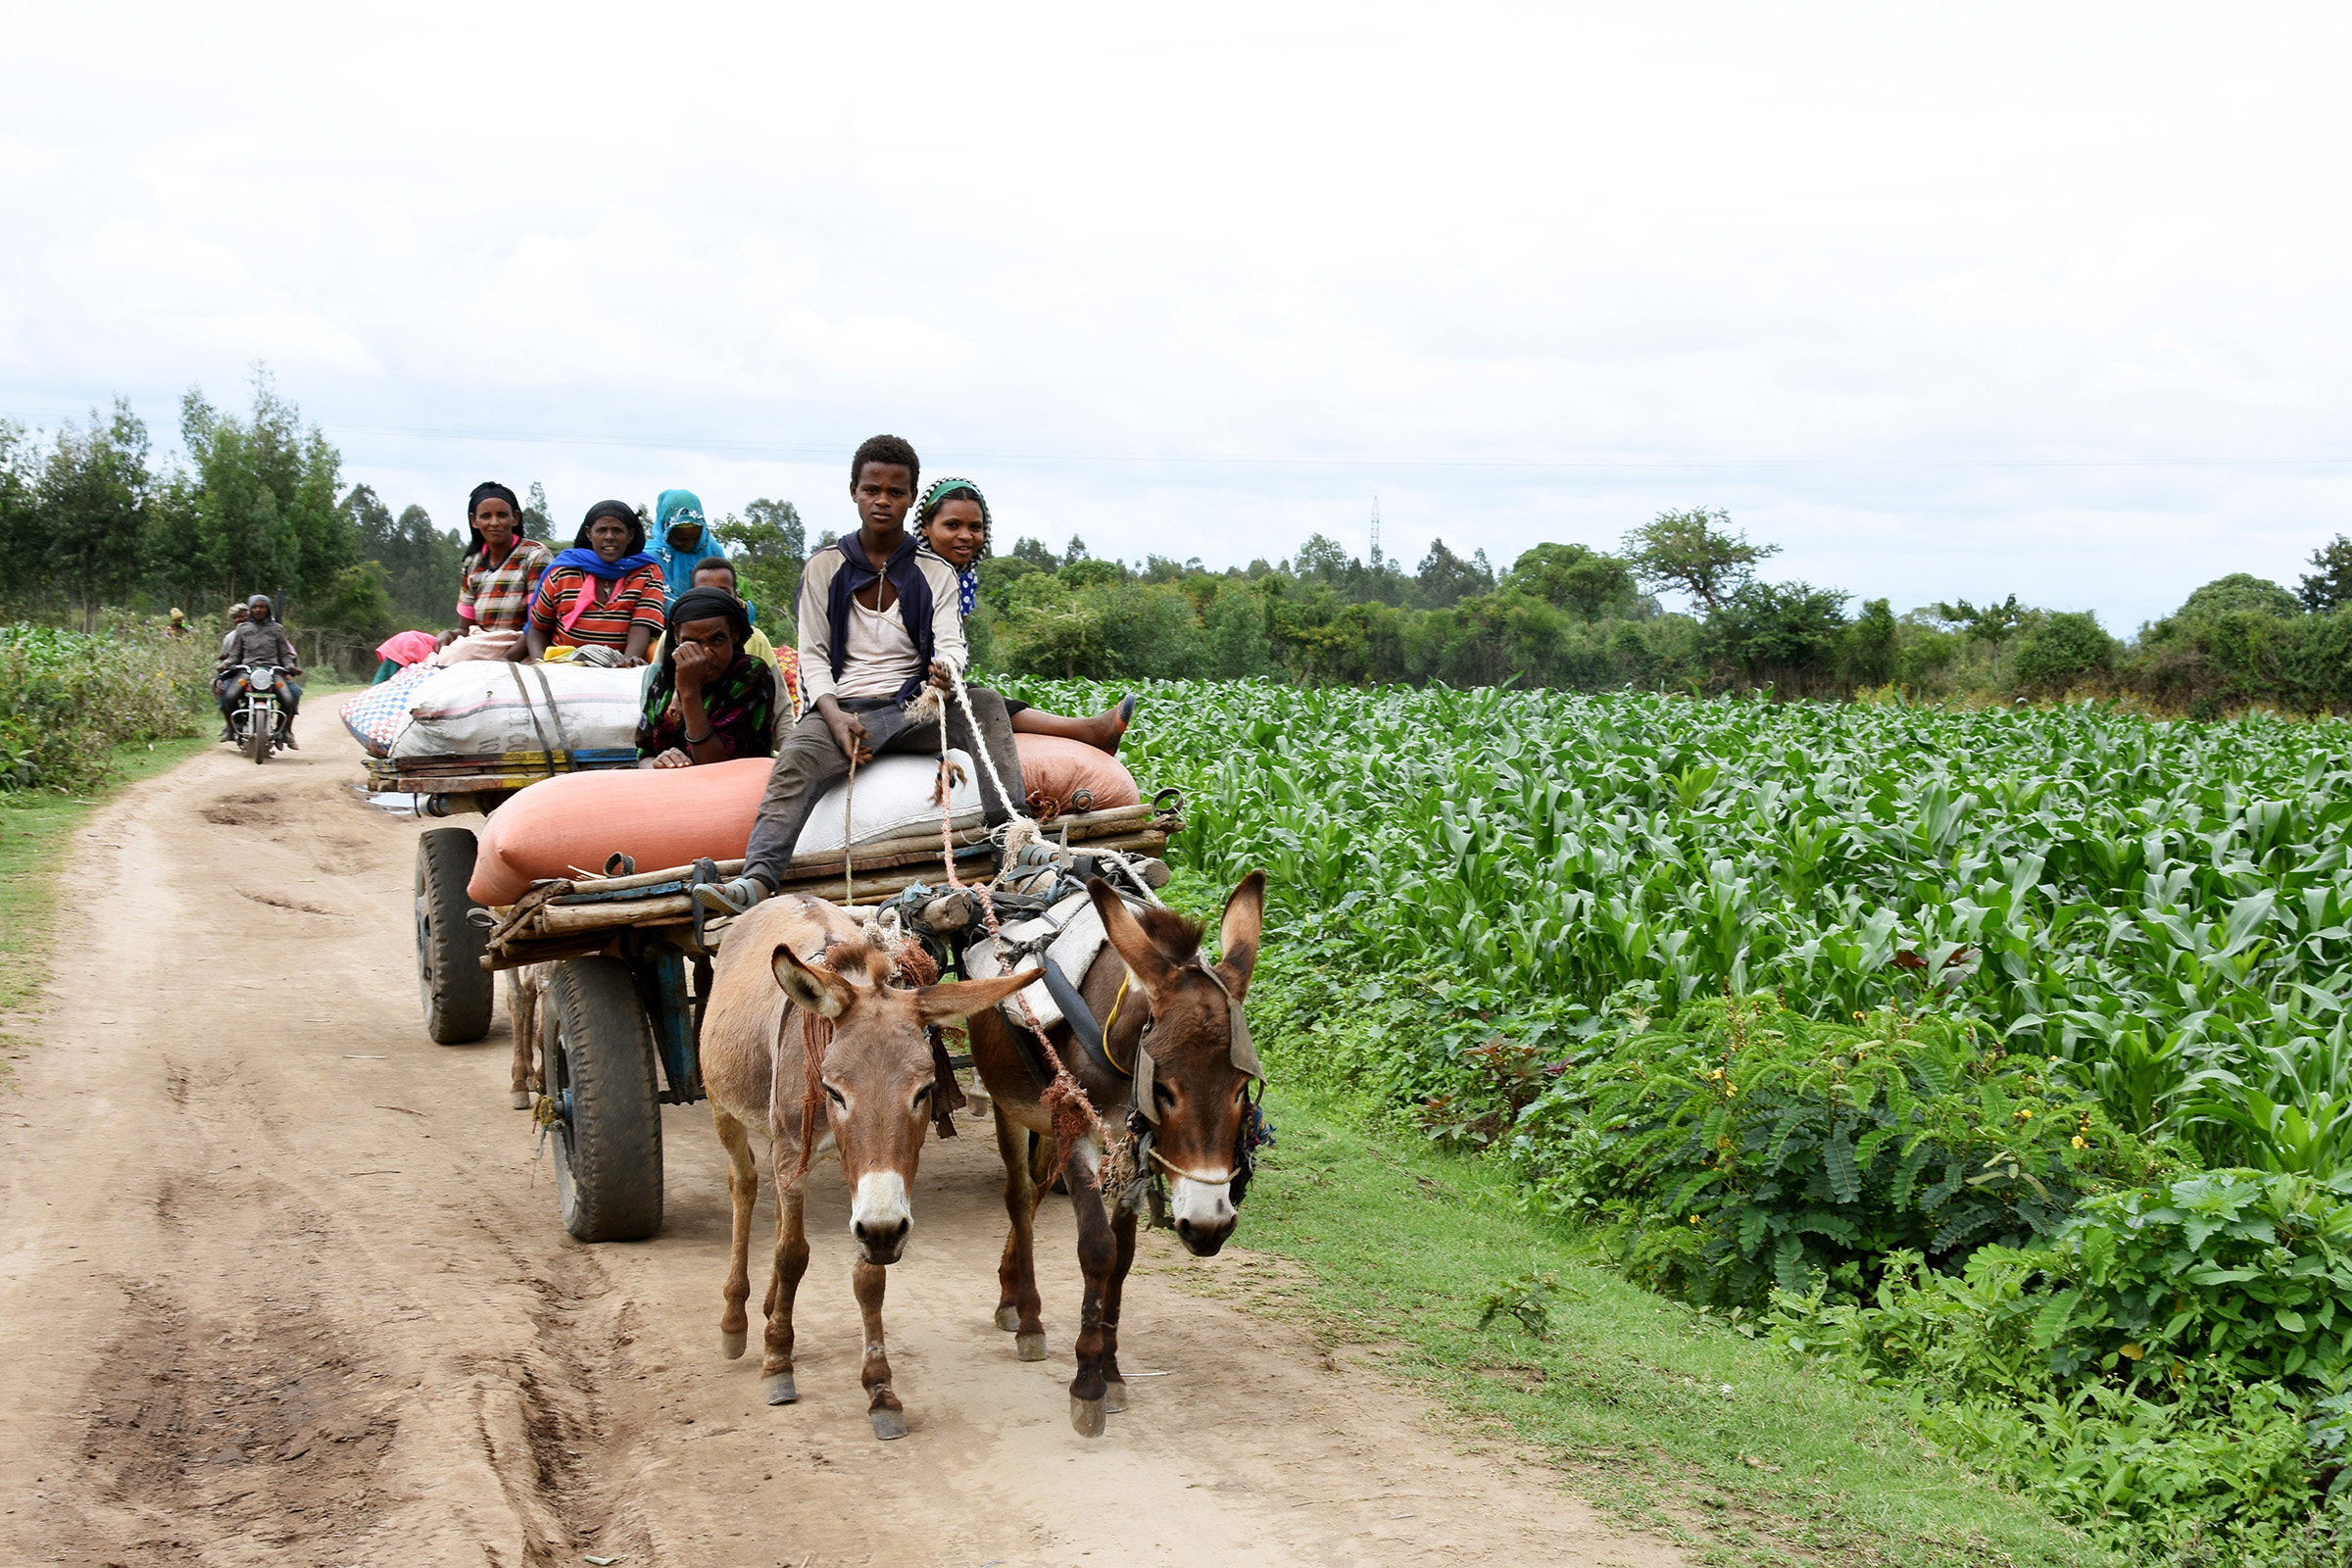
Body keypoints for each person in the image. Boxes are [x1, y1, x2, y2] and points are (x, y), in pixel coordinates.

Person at [694, 435, 1023, 915]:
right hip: (843, 708)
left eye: (895, 491)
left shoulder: (936, 573)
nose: (882, 500)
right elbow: (813, 657)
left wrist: (947, 672)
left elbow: (951, 644)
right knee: (794, 763)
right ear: (854, 492)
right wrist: (832, 716)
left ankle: (1012, 840)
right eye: (873, 490)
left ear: (910, 499)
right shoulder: (825, 567)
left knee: (988, 704)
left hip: (913, 708)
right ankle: (756, 881)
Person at [915, 475, 1136, 754]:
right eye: (952, 525)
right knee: (983, 700)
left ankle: (1088, 731)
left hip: (939, 680)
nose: (966, 535)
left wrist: (948, 674)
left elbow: (954, 644)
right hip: (894, 680)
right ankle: (1087, 730)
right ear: (925, 527)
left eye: (975, 527)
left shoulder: (966, 578)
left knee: (983, 698)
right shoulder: (908, 572)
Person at [636, 586, 778, 768]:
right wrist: (658, 766)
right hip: (670, 787)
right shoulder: (666, 677)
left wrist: (689, 691)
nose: (706, 655)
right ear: (677, 636)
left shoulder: (751, 675)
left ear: (734, 634)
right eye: (691, 642)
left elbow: (714, 764)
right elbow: (644, 753)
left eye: (717, 640)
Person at [646, 557, 800, 720]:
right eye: (705, 592)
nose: (713, 600)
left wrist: (788, 745)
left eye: (723, 593)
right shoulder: (671, 639)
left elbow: (780, 706)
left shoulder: (756, 640)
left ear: (736, 598)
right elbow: (650, 699)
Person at [519, 501, 667, 665]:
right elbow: (539, 627)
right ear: (589, 534)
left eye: (617, 530)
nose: (609, 536)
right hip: (563, 665)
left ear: (630, 535)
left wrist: (626, 664)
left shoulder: (646, 573)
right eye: (602, 530)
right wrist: (540, 663)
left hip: (618, 664)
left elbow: (641, 626)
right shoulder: (563, 572)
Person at [445, 481, 553, 650]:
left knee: (456, 655)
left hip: (518, 643)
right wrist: (449, 635)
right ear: (474, 520)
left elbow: (538, 623)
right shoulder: (472, 563)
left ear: (515, 518)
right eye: (486, 516)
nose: (494, 522)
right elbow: (465, 628)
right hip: (480, 642)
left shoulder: (535, 556)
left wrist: (508, 658)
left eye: (501, 515)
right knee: (405, 642)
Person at [217, 593, 304, 743]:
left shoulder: (277, 629)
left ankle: (282, 730)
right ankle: (236, 724)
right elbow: (235, 654)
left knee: (289, 698)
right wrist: (226, 664)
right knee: (230, 696)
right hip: (247, 671)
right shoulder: (242, 629)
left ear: (268, 609)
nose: (258, 610)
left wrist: (290, 666)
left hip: (272, 671)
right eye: (255, 607)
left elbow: (284, 654)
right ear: (250, 609)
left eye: (262, 607)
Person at [650, 489, 727, 615]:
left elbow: (728, 587)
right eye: (681, 539)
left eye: (696, 538)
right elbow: (660, 599)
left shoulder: (710, 548)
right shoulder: (653, 556)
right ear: (666, 530)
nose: (689, 545)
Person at [370, 629, 440, 684]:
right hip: (407, 646)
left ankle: (373, 694)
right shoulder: (442, 642)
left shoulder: (430, 639)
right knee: (390, 680)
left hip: (400, 643)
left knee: (385, 676)